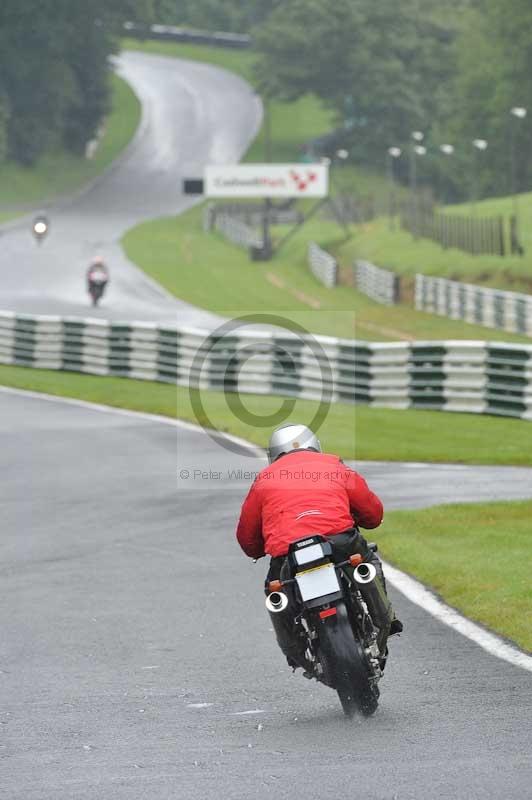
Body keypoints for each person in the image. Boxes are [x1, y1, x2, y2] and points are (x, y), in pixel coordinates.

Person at [236, 422, 402, 669]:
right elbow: (372, 512)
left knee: (275, 591)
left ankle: (295, 650)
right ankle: (384, 619)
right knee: (367, 563)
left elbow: (247, 537)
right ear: (314, 445)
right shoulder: (333, 464)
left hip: (287, 553)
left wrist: (258, 549)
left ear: (274, 455)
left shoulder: (264, 479)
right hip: (339, 539)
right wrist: (363, 520)